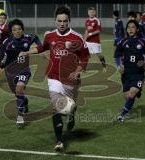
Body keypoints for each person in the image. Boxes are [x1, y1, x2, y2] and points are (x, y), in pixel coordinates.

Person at [19, 6, 90, 151]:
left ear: (69, 21)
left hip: (71, 78)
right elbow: (42, 48)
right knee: (56, 107)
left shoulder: (77, 38)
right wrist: (27, 52)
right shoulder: (50, 36)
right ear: (55, 21)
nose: (62, 23)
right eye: (59, 21)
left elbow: (85, 57)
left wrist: (77, 71)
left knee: (70, 106)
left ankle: (71, 114)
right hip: (54, 77)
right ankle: (59, 141)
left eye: (65, 21)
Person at [0, 19, 42, 127]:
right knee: (18, 94)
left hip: (24, 70)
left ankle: (20, 116)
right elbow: (0, 53)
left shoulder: (27, 38)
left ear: (22, 30)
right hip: (10, 71)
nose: (17, 32)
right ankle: (24, 101)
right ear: (11, 31)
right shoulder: (7, 41)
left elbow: (36, 39)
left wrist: (40, 47)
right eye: (14, 30)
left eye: (19, 29)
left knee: (19, 89)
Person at [114, 20, 145, 122]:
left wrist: (144, 61)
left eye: (133, 27)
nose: (130, 29)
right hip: (126, 74)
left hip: (138, 73)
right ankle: (136, 93)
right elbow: (116, 55)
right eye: (128, 27)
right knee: (127, 97)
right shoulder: (123, 41)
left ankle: (121, 115)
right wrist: (119, 66)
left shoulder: (143, 41)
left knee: (132, 94)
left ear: (137, 29)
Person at [84, 7, 106, 71]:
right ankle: (84, 68)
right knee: (86, 55)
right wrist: (84, 39)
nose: (91, 13)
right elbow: (86, 30)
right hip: (88, 41)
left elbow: (99, 30)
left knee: (99, 55)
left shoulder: (97, 20)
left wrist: (90, 34)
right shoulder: (87, 21)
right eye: (90, 12)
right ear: (88, 13)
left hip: (95, 41)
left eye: (92, 12)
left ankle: (104, 66)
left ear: (95, 13)